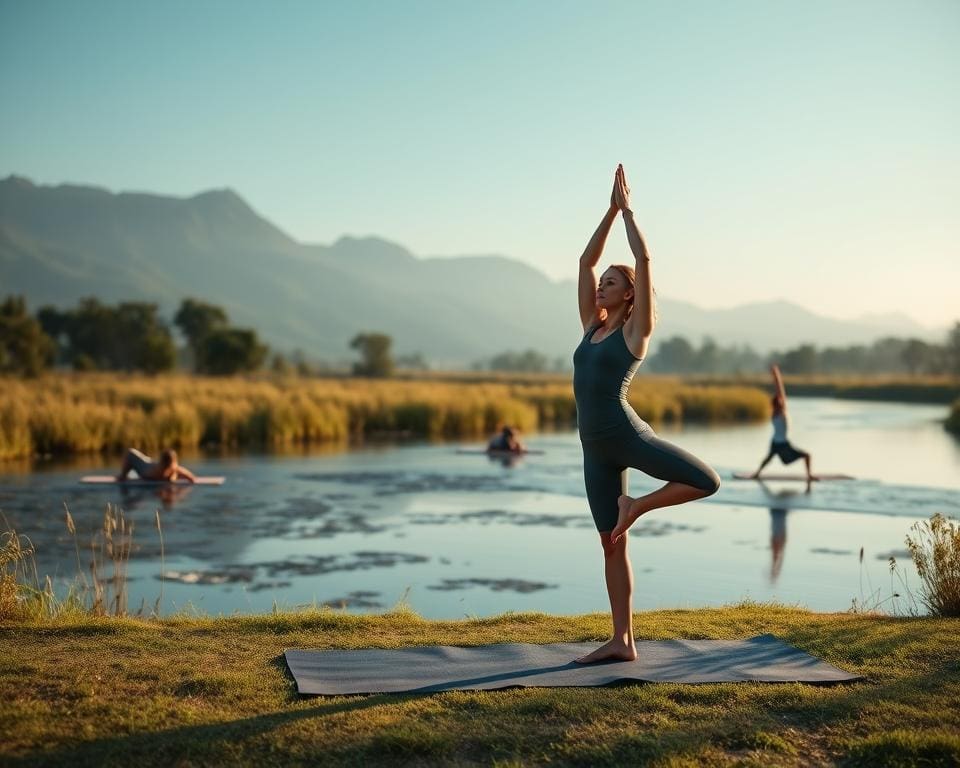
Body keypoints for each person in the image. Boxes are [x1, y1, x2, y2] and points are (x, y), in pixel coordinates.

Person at [573, 165, 720, 663]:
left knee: (706, 480)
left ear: (629, 295)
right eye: (603, 283)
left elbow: (644, 256)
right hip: (594, 451)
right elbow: (584, 262)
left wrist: (630, 213)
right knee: (610, 544)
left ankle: (637, 506)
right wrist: (609, 211)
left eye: (611, 283)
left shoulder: (634, 333)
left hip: (626, 435)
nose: (601, 286)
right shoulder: (591, 327)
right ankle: (622, 641)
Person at [749, 364, 815, 482]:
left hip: (775, 442)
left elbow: (779, 394)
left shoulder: (774, 413)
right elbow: (780, 391)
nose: (782, 401)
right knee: (807, 455)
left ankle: (757, 474)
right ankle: (809, 476)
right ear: (778, 404)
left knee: (768, 459)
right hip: (783, 444)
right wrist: (777, 375)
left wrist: (775, 375)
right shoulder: (781, 412)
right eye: (780, 401)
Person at [117, 448, 196, 483]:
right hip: (142, 468)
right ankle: (123, 475)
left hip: (149, 463)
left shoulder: (173, 467)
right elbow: (162, 478)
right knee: (130, 454)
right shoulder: (157, 470)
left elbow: (191, 477)